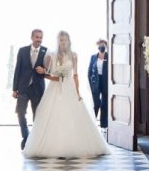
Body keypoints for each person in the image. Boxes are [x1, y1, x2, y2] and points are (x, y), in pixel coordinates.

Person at [23, 31, 110, 159]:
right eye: (61, 40)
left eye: (65, 40)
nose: (63, 42)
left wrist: (78, 92)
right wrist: (56, 79)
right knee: (53, 115)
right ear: (57, 41)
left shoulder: (74, 55)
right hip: (54, 89)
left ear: (69, 41)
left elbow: (75, 75)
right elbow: (45, 74)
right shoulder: (50, 55)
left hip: (70, 88)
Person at [12, 29, 47, 149]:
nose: (39, 40)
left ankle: (35, 140)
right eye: (37, 37)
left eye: (41, 37)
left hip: (38, 88)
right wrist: (14, 88)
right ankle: (26, 137)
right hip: (23, 87)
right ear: (32, 38)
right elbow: (17, 70)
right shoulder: (22, 50)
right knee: (20, 113)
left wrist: (45, 71)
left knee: (37, 115)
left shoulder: (46, 51)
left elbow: (52, 70)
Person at [87, 39, 109, 129]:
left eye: (103, 44)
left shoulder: (109, 56)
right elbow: (89, 71)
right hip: (95, 82)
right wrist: (90, 83)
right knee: (96, 103)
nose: (101, 46)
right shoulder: (93, 57)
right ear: (97, 46)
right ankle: (92, 122)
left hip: (106, 81)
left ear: (106, 46)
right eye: (100, 45)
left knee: (105, 103)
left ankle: (104, 125)